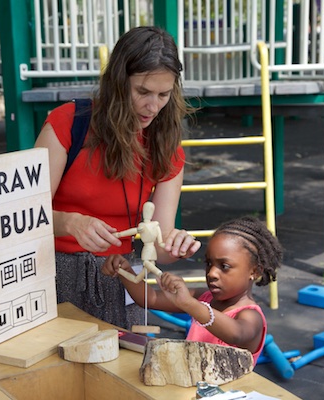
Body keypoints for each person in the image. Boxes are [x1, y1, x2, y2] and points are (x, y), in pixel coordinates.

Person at [34, 26, 201, 329]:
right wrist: (68, 222)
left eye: (164, 94)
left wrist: (178, 246)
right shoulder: (68, 123)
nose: (153, 106)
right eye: (143, 92)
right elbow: (22, 218)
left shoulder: (166, 146)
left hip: (123, 277)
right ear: (117, 83)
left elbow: (159, 247)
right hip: (53, 274)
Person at [102, 216, 283, 360]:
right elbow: (149, 299)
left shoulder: (251, 316)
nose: (212, 273)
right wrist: (125, 271)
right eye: (208, 263)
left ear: (255, 271)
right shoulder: (204, 298)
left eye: (224, 266)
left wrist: (189, 304)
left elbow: (237, 335)